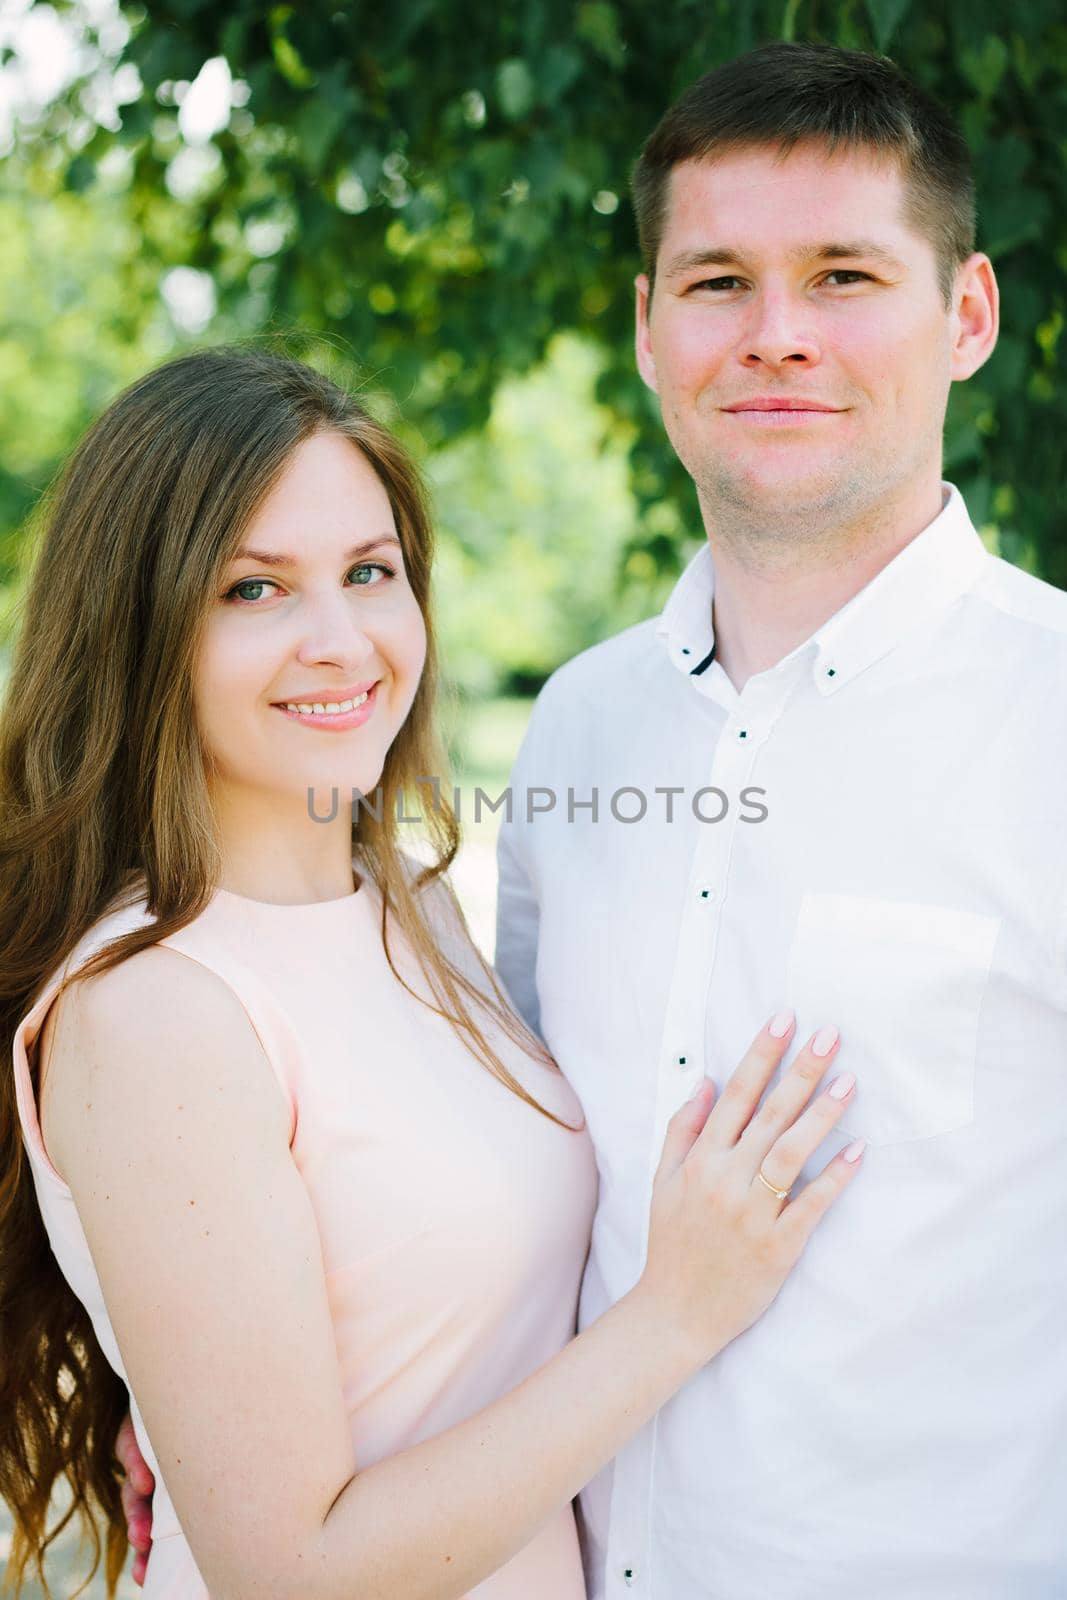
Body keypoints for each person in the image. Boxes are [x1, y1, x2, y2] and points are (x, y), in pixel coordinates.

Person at [0, 346, 864, 1599]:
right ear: (141, 625)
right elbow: (291, 1569)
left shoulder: (408, 907)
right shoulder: (158, 1012)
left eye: (369, 572)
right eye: (254, 589)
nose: (340, 640)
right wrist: (676, 1314)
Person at [491, 39, 1067, 1600]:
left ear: (965, 316)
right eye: (714, 283)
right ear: (644, 329)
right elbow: (516, 1184)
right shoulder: (577, 725)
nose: (773, 337)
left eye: (839, 277)